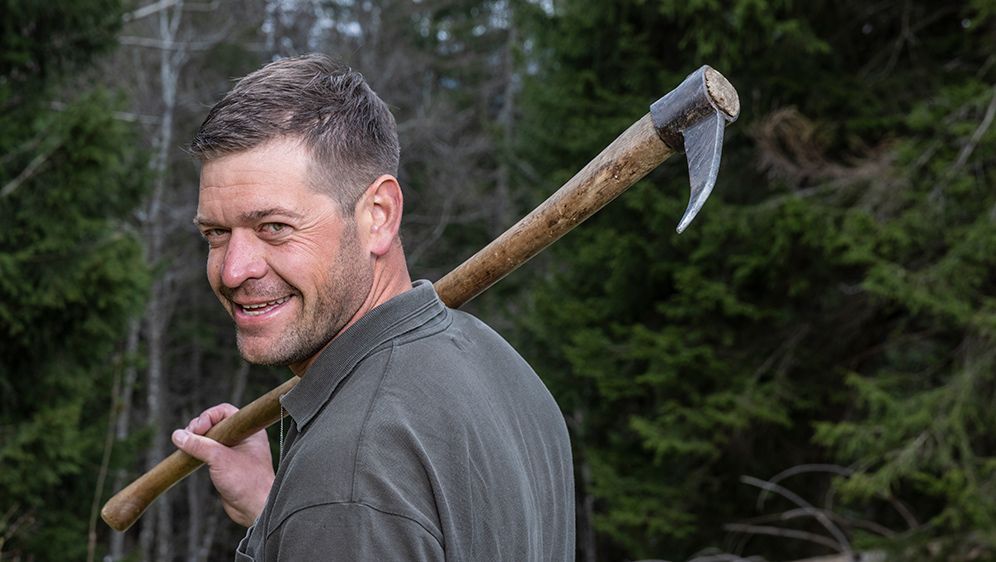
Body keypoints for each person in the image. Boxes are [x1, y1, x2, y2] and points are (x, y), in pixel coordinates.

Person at [169, 54, 575, 561]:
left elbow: (359, 503)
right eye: (216, 233)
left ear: (378, 216)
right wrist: (281, 510)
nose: (234, 270)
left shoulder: (349, 472)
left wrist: (323, 505)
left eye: (274, 227)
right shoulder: (499, 366)